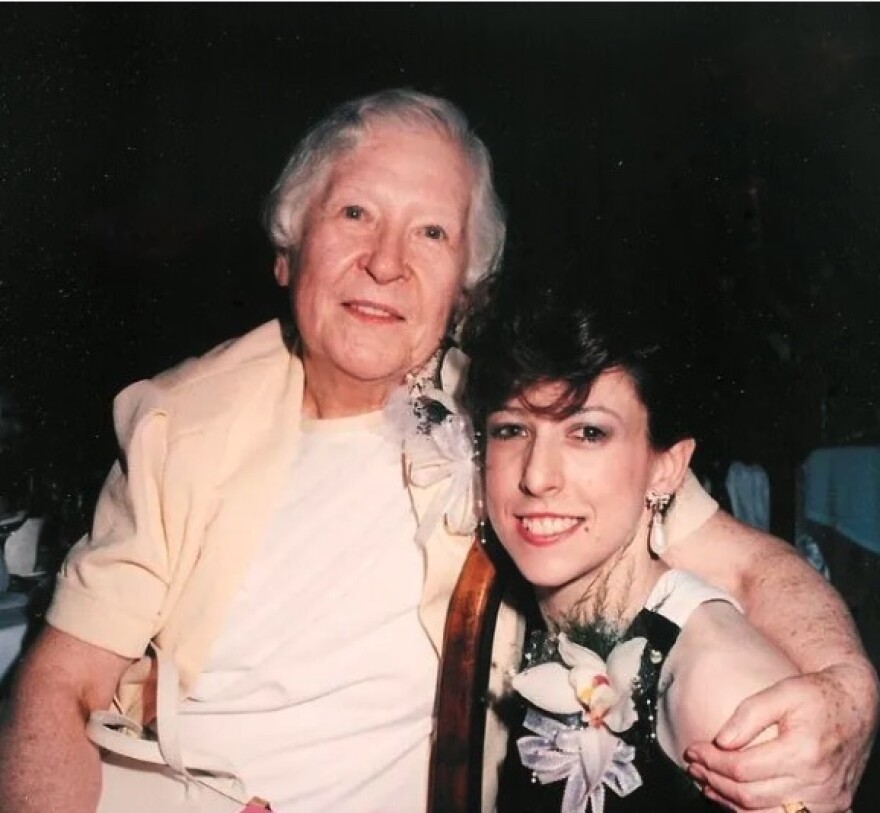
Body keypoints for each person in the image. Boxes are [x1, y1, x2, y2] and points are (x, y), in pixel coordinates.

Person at [0, 88, 874, 813]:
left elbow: (753, 565)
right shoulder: (177, 420)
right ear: (287, 250)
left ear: (467, 285)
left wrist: (847, 692)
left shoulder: (516, 424)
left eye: (431, 233)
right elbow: (54, 687)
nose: (386, 264)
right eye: (354, 213)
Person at [462, 267, 808, 811]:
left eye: (589, 433)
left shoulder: (718, 685)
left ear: (667, 468)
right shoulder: (544, 619)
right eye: (512, 429)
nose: (536, 476)